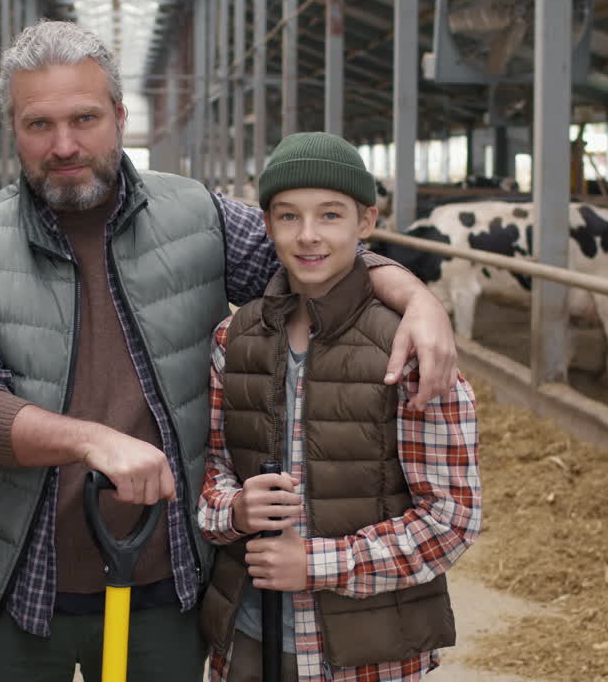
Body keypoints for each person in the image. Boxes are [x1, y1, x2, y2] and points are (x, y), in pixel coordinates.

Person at [0, 20, 458, 682]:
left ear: (120, 116)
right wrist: (91, 440)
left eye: (85, 118)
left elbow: (315, 260)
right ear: (13, 128)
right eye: (39, 124)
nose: (64, 144)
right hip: (19, 587)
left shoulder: (197, 216)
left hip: (166, 581)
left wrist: (417, 298)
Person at [197, 132, 482, 682]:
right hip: (247, 637)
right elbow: (213, 469)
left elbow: (452, 520)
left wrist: (316, 564)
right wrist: (233, 510)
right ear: (265, 225)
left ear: (367, 221)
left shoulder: (413, 349)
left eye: (330, 215)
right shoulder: (233, 338)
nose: (308, 236)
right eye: (288, 216)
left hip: (365, 655)